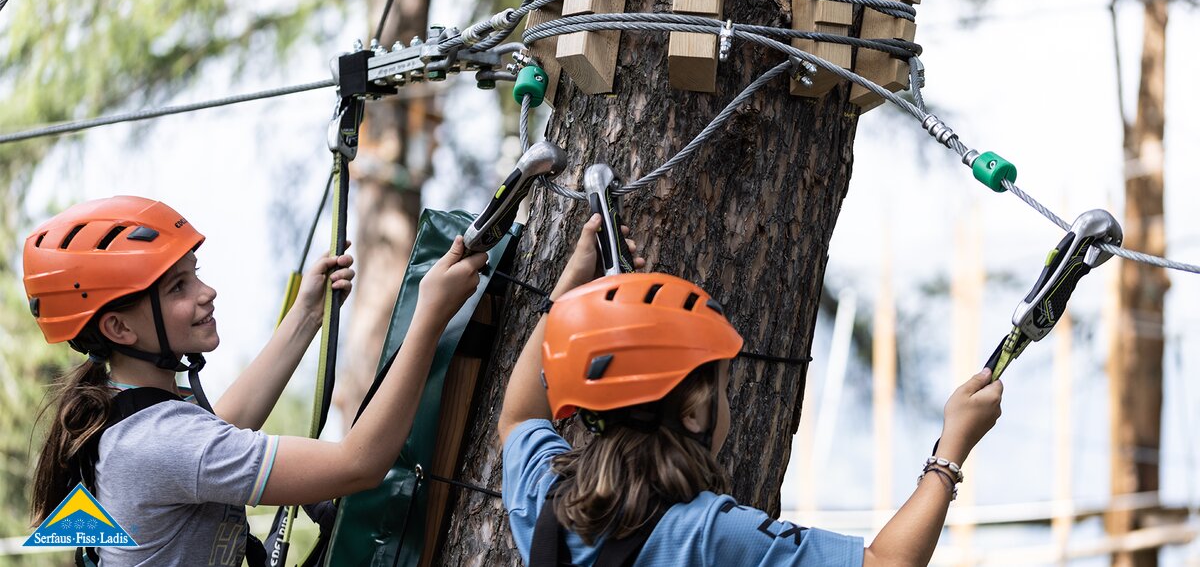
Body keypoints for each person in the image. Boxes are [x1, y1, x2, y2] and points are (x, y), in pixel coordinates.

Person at [499, 214, 1004, 566]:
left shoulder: (547, 498)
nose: (726, 404)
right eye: (721, 388)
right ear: (693, 413)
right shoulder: (711, 534)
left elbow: (520, 416)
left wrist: (573, 294)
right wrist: (951, 450)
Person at [24, 195, 487, 566]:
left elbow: (218, 429)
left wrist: (306, 315)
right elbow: (360, 464)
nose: (207, 293)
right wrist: (430, 315)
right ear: (120, 329)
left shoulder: (128, 411)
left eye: (194, 275)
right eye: (177, 288)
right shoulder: (159, 443)